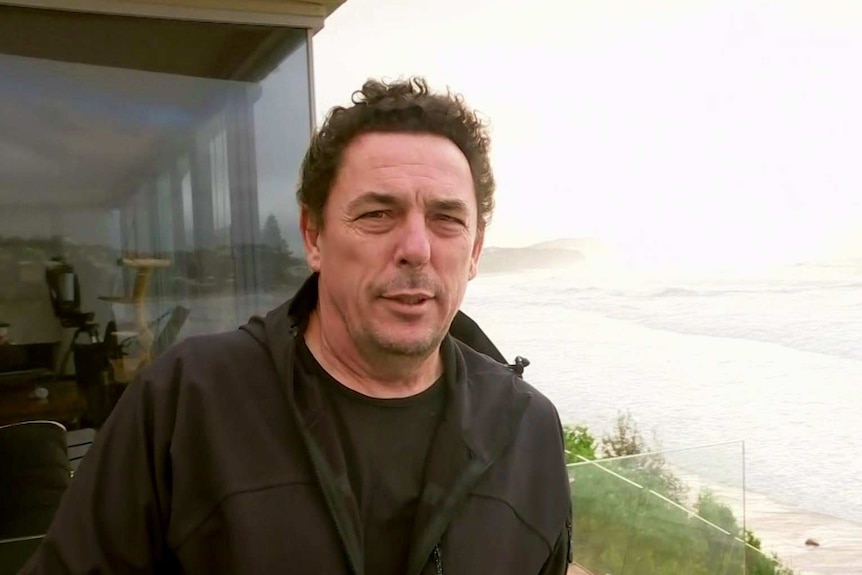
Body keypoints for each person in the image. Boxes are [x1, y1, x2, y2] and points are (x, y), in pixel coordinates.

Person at [22, 77, 572, 575]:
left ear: (474, 251)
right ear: (314, 236)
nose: (416, 248)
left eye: (447, 219)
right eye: (377, 214)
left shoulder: (526, 431)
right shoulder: (186, 404)